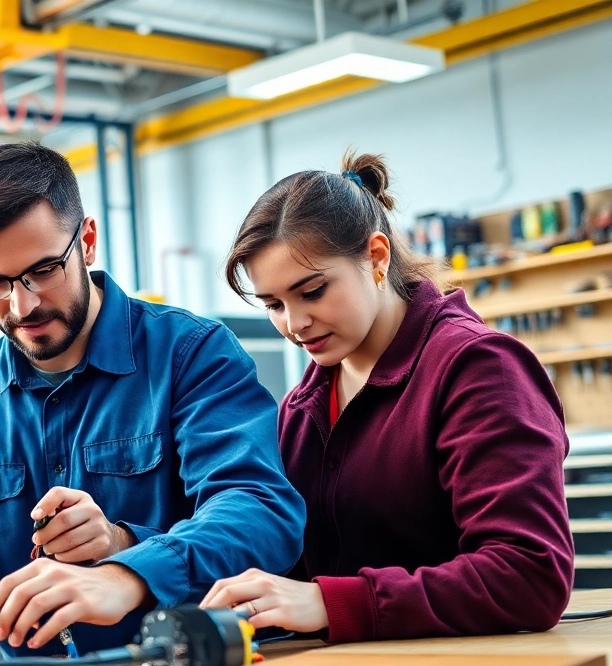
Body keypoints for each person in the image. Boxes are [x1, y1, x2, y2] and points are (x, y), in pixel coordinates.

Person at [0, 142, 306, 653]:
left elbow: (258, 510)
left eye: (42, 271)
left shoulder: (190, 354)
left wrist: (127, 561)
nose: (22, 304)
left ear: (88, 241)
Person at [200, 152, 574, 641]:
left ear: (376, 258)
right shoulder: (299, 409)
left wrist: (332, 603)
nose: (294, 324)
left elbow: (529, 574)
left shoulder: (478, 368)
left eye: (312, 291)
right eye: (274, 304)